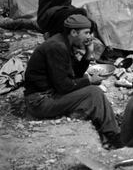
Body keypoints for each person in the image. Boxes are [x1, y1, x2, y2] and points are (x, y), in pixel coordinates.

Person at [24, 14, 121, 149]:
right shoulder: (57, 47)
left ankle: (107, 132)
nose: (90, 37)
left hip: (50, 94)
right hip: (40, 101)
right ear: (74, 32)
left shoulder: (65, 42)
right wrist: (89, 80)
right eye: (86, 32)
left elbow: (75, 75)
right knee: (94, 92)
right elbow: (64, 86)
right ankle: (113, 136)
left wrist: (88, 53)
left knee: (91, 93)